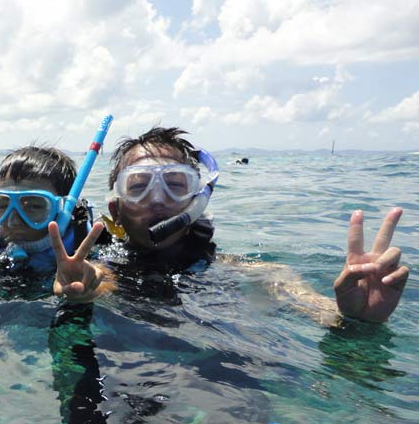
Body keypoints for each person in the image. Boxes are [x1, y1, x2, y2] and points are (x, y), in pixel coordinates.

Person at [50, 126, 409, 324]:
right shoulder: (102, 267)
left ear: (198, 199)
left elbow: (321, 313)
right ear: (117, 208)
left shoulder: (258, 274)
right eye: (139, 186)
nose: (158, 199)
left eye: (175, 184)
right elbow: (97, 280)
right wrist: (82, 289)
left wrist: (357, 320)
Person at [0, 145, 108, 281]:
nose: (13, 221)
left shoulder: (82, 245)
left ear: (62, 210)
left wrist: (86, 291)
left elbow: (105, 279)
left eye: (33, 206)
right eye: (3, 205)